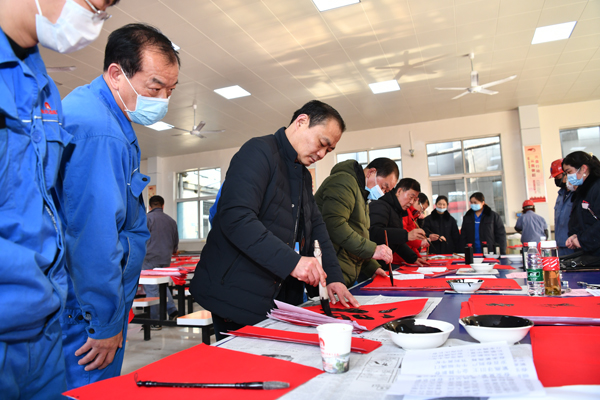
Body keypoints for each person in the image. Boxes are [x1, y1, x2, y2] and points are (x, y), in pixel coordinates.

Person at [0, 0, 116, 398]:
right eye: (94, 6)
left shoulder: (43, 86)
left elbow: (43, 206)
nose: (94, 23)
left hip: (43, 323)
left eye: (104, 12)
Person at [56, 23, 180, 389]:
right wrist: (105, 322)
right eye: (155, 87)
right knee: (89, 389)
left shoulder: (93, 109)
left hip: (76, 300)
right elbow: (94, 238)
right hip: (84, 310)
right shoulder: (102, 132)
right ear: (116, 74)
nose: (163, 99)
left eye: (170, 90)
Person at [190, 100, 360, 341]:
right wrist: (293, 262)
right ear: (302, 121)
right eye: (322, 143)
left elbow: (316, 228)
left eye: (329, 150)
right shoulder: (258, 152)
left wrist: (333, 279)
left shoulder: (301, 174)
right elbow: (236, 218)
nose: (322, 154)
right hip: (237, 293)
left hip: (276, 297)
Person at [314, 157, 396, 287]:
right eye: (383, 187)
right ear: (371, 172)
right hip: (330, 273)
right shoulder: (343, 182)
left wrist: (372, 268)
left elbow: (357, 234)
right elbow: (335, 225)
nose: (382, 193)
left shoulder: (362, 194)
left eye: (386, 191)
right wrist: (373, 250)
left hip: (344, 272)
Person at [369, 178, 429, 266]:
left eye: (414, 200)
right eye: (411, 197)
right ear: (399, 191)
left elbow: (396, 242)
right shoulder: (380, 205)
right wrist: (406, 235)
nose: (411, 202)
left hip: (383, 263)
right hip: (372, 264)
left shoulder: (397, 210)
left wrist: (413, 258)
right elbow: (374, 233)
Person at [142, 195, 179, 328]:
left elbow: (140, 239)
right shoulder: (171, 221)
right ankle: (172, 311)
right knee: (163, 285)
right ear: (163, 205)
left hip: (149, 258)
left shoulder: (146, 219)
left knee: (152, 288)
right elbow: (175, 244)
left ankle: (155, 321)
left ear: (149, 206)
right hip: (165, 258)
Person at [563, 152, 600, 256]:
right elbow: (583, 221)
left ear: (583, 168)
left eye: (569, 172)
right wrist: (575, 235)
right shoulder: (583, 191)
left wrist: (583, 240)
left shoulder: (597, 188)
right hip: (589, 252)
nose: (567, 177)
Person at [550, 158, 575, 256]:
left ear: (566, 173)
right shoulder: (560, 195)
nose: (556, 180)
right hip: (560, 245)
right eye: (555, 177)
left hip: (573, 244)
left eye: (557, 176)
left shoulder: (576, 194)